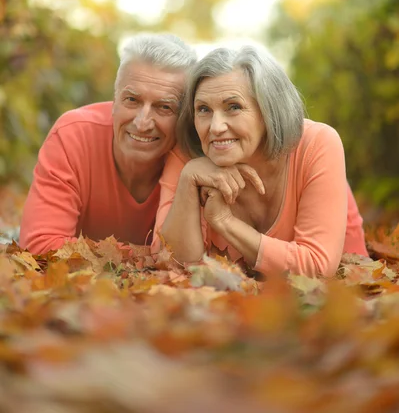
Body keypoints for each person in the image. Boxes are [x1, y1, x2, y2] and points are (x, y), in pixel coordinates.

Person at [155, 44, 368, 278]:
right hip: (230, 307)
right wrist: (188, 180)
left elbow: (317, 267)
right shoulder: (188, 156)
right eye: (204, 109)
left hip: (342, 298)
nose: (215, 127)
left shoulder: (317, 143)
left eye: (233, 107)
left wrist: (224, 221)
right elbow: (172, 266)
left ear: (269, 112)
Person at [19, 33, 197, 254]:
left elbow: (196, 260)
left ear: (185, 118)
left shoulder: (193, 156)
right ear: (114, 101)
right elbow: (40, 244)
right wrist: (146, 256)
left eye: (164, 107)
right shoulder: (74, 135)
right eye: (132, 100)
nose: (142, 123)